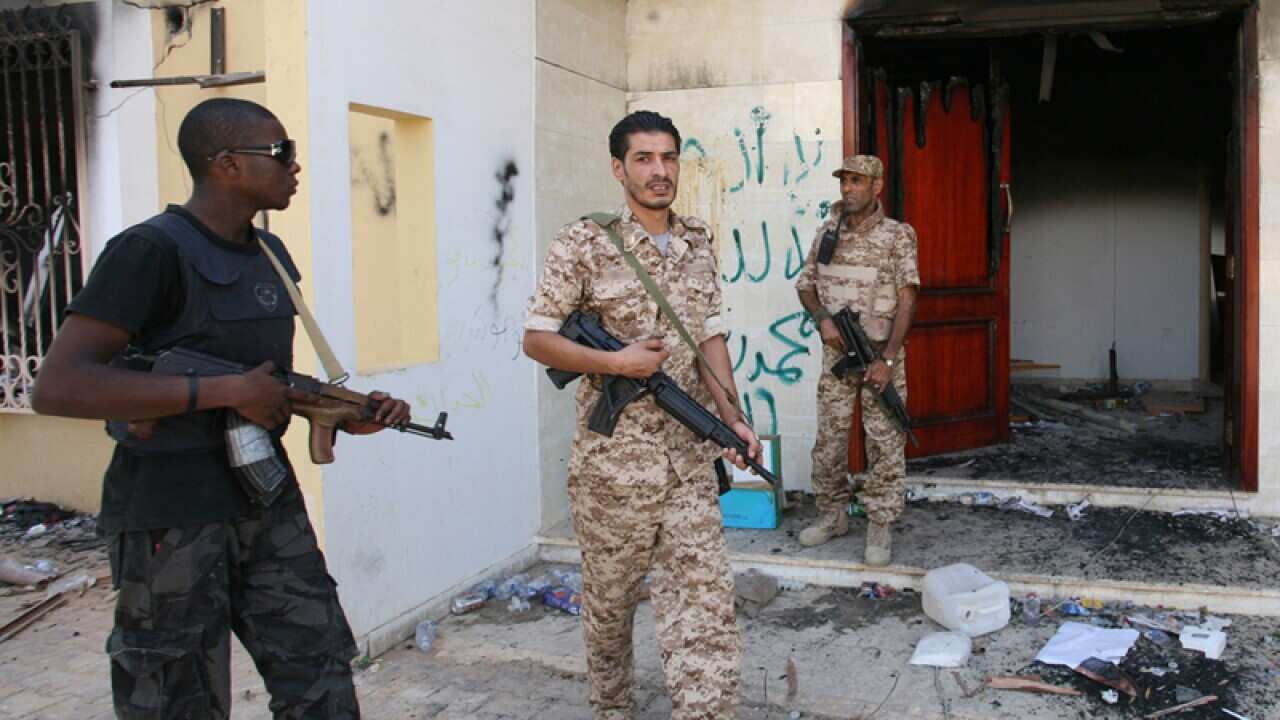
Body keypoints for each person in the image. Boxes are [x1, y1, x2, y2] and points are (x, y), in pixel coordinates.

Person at [31, 97, 410, 719]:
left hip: (262, 500)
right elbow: (60, 385)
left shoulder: (269, 257)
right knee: (177, 696)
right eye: (281, 152)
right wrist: (222, 393)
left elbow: (263, 380)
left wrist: (336, 408)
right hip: (169, 513)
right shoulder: (148, 251)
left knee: (320, 674)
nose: (295, 166)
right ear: (228, 164)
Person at [522, 110, 760, 720]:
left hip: (687, 461)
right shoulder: (584, 241)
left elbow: (710, 338)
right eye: (645, 159)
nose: (660, 171)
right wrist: (618, 364)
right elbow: (538, 339)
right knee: (610, 606)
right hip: (613, 470)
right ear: (618, 168)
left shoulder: (697, 241)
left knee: (705, 606)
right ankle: (612, 706)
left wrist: (732, 418)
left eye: (669, 157)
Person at [793, 155, 920, 566]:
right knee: (830, 440)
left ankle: (879, 526)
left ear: (876, 186)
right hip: (838, 356)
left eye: (857, 181)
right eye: (844, 181)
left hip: (879, 356)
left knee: (884, 442)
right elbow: (806, 287)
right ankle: (832, 516)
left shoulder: (897, 236)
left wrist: (887, 357)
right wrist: (822, 320)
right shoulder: (826, 233)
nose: (848, 188)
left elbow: (907, 300)